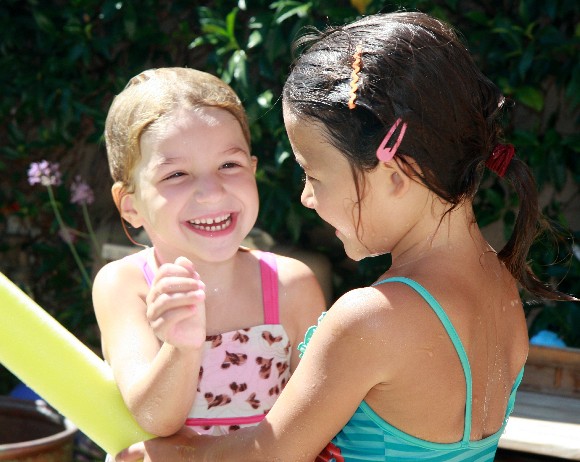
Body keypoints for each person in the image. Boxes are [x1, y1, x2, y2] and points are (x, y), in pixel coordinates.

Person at [115, 12, 577, 462]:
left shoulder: (371, 319)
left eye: (313, 174)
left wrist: (168, 453)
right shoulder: (499, 281)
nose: (306, 198)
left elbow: (271, 453)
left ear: (395, 173)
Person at [92, 67, 326, 440]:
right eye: (176, 175)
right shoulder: (126, 286)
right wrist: (180, 348)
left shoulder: (291, 286)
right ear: (130, 205)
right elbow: (154, 417)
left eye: (228, 165)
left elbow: (317, 424)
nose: (212, 192)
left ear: (252, 170)